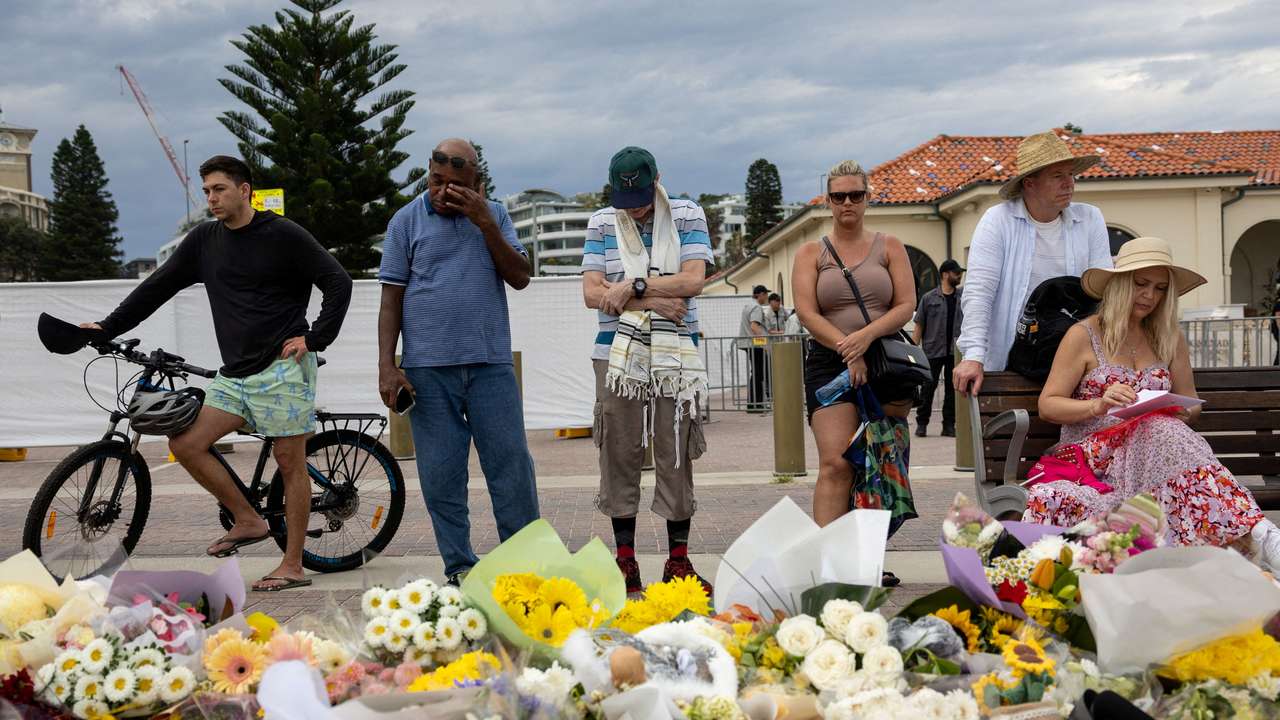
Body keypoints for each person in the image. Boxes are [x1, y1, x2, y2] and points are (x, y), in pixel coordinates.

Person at [85, 155, 353, 591]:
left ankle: (292, 565)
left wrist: (315, 338)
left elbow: (338, 281)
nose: (211, 198)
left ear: (244, 189)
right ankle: (249, 520)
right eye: (206, 191)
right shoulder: (204, 240)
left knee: (289, 462)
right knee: (187, 443)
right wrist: (107, 326)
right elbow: (157, 287)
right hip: (235, 373)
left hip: (284, 369)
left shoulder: (283, 234)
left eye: (219, 189)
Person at [1024, 237, 1280, 570]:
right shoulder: (1083, 335)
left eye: (1160, 288)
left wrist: (1172, 408)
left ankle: (1257, 537)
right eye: (1141, 284)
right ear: (1118, 285)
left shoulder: (1168, 336)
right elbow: (1048, 404)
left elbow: (1192, 406)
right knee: (1159, 430)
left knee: (1158, 426)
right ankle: (1262, 535)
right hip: (1097, 459)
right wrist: (1098, 405)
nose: (1150, 295)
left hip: (1158, 456)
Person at [377, 138, 539, 587]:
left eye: (456, 184)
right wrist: (387, 367)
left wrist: (485, 221)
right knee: (441, 475)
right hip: (428, 371)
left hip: (490, 365)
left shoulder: (497, 215)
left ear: (477, 184)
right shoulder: (405, 221)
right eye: (436, 181)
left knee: (511, 468)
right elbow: (391, 298)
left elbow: (521, 277)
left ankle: (524, 564)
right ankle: (460, 567)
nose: (443, 191)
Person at [581, 146, 715, 596]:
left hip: (676, 353)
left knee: (675, 447)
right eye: (625, 197)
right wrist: (656, 299)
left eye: (640, 195)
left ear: (657, 179)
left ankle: (678, 562)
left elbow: (694, 280)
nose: (634, 207)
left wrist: (633, 287)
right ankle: (625, 562)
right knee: (618, 450)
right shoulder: (602, 222)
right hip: (616, 353)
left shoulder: (687, 214)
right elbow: (591, 293)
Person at [792, 160, 917, 584]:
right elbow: (808, 312)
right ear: (828, 201)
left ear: (868, 198)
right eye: (839, 196)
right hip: (831, 364)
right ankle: (830, 565)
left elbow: (905, 305)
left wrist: (865, 338)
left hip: (884, 360)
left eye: (856, 195)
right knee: (836, 464)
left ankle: (865, 562)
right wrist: (848, 349)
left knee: (880, 462)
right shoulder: (811, 253)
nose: (848, 202)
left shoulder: (889, 246)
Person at [954, 131, 1112, 397]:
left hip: (1079, 356)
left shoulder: (1090, 218)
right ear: (1030, 183)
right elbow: (979, 291)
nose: (1069, 184)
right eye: (1057, 176)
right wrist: (973, 355)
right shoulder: (998, 220)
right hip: (1013, 357)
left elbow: (1104, 289)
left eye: (1071, 175)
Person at [912, 260, 964, 437]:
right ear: (945, 274)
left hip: (954, 352)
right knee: (928, 388)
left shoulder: (962, 297)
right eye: (956, 273)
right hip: (933, 351)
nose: (959, 276)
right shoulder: (929, 298)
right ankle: (922, 423)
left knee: (952, 390)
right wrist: (912, 351)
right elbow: (919, 325)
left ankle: (948, 425)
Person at [738, 285, 770, 410]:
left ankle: (753, 403)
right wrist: (765, 343)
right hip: (755, 345)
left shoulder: (748, 305)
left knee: (756, 373)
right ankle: (756, 404)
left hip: (749, 344)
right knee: (758, 374)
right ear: (761, 294)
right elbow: (754, 327)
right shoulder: (756, 307)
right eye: (766, 294)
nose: (766, 297)